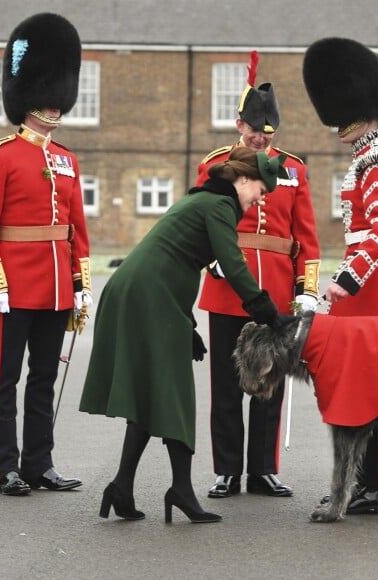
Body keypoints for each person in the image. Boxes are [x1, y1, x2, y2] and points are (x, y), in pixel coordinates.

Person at [79, 146, 290, 523]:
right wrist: (269, 313)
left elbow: (173, 260)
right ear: (242, 180)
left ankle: (121, 486)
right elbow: (233, 265)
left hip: (146, 292)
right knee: (177, 393)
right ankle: (181, 490)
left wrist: (187, 325)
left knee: (150, 393)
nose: (261, 199)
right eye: (260, 189)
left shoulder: (208, 202)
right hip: (150, 296)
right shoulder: (219, 207)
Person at [0, 13, 92, 496]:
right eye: (46, 98)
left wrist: (80, 286)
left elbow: (76, 229)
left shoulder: (68, 160)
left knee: (43, 380)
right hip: (14, 286)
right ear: (27, 99)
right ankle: (8, 468)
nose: (54, 107)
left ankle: (40, 463)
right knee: (7, 382)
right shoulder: (0, 156)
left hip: (57, 285)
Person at [303, 37, 378, 515]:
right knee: (369, 392)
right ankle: (370, 484)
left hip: (376, 293)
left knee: (377, 393)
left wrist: (346, 282)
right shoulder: (367, 157)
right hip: (369, 292)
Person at [197, 51, 321, 500]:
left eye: (266, 136)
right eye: (253, 134)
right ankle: (227, 470)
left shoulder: (293, 169)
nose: (260, 143)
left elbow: (306, 236)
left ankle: (263, 469)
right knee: (227, 386)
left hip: (277, 291)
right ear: (239, 125)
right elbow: (201, 219)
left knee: (270, 383)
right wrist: (211, 256)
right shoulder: (215, 164)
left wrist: (306, 290)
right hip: (228, 286)